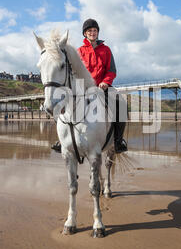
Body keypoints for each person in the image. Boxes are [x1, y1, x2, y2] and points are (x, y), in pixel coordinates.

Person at [51, 18, 128, 154]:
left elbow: (112, 70)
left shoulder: (106, 50)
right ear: (85, 33)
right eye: (89, 31)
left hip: (102, 86)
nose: (93, 33)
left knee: (120, 102)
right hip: (81, 86)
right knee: (60, 103)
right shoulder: (79, 51)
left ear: (97, 32)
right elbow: (73, 71)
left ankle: (118, 140)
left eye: (95, 30)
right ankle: (62, 139)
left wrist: (105, 82)